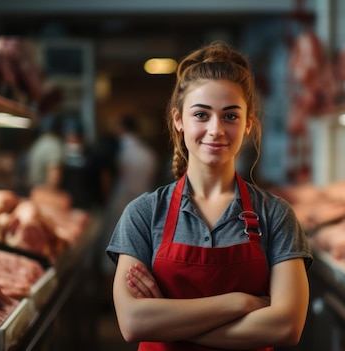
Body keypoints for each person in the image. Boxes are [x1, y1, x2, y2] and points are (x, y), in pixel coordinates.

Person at [106, 41, 313, 350]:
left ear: (248, 124)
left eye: (230, 116)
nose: (216, 129)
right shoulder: (144, 214)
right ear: (179, 120)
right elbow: (133, 323)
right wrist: (239, 303)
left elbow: (286, 327)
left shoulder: (276, 215)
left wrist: (166, 322)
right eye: (201, 115)